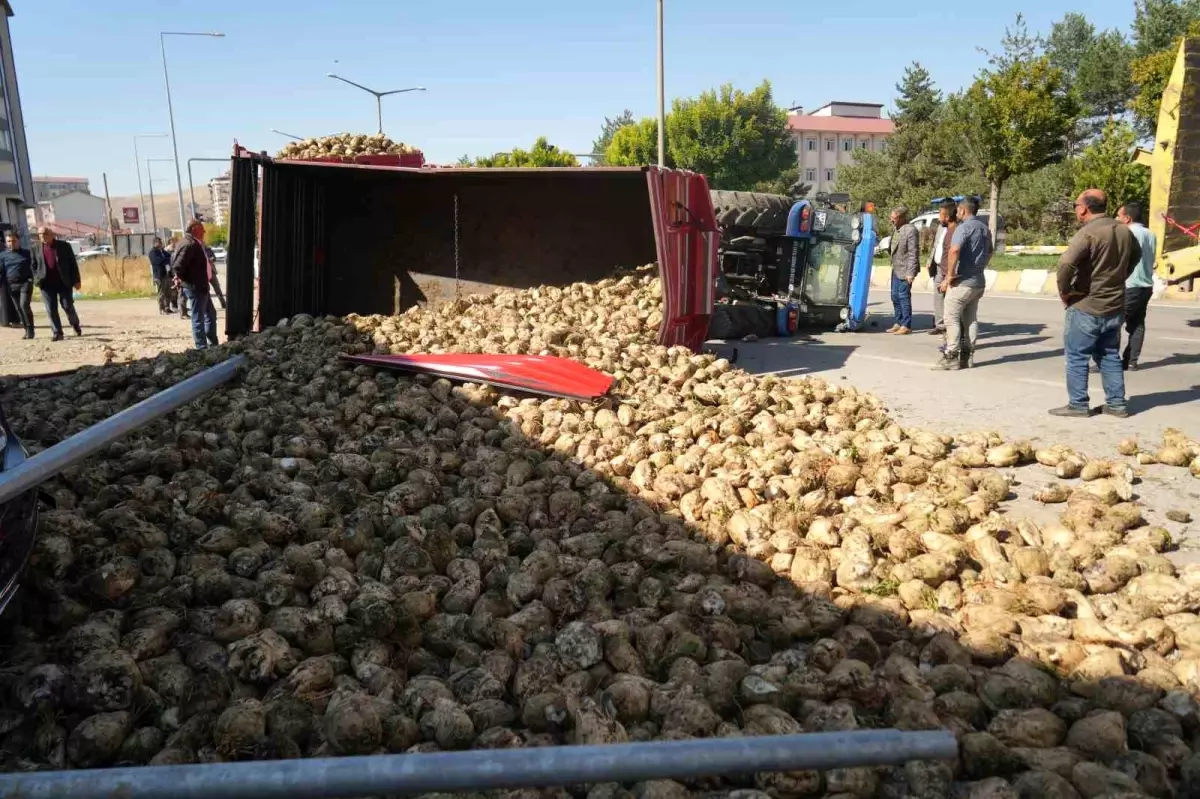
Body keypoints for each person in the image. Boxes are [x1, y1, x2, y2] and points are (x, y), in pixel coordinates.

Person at [1052, 189, 1142, 418]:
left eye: (1075, 205)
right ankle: (1116, 404)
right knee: (1109, 353)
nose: (1075, 210)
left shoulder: (1088, 232)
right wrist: (1120, 277)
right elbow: (1136, 256)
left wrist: (1065, 291)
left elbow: (1065, 264)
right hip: (1114, 304)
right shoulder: (1124, 230)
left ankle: (1078, 404)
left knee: (1077, 356)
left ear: (1083, 208)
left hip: (1086, 304)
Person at [934, 197, 991, 370]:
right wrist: (980, 267)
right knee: (971, 319)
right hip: (978, 281)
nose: (956, 213)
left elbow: (954, 250)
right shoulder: (984, 228)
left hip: (963, 282)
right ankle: (968, 356)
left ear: (963, 211)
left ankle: (951, 356)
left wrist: (949, 276)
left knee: (951, 318)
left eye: (958, 210)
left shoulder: (963, 228)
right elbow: (990, 251)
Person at [1116, 201, 1156, 372]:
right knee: (1137, 324)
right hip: (1145, 285)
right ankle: (1131, 361)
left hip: (1129, 285)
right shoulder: (1150, 234)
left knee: (1113, 324)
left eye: (1118, 215)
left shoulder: (1127, 232)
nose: (1116, 219)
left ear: (1127, 218)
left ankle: (1108, 362)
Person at [172, 219, 219, 350]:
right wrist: (184, 280)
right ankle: (201, 347)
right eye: (202, 229)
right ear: (194, 229)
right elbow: (177, 266)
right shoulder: (189, 244)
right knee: (198, 318)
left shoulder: (193, 243)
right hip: (196, 287)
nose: (204, 231)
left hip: (201, 286)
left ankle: (212, 344)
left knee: (210, 315)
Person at [31, 226, 82, 342]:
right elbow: (33, 266)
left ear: (51, 234)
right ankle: (57, 332)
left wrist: (76, 280)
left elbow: (73, 265)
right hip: (46, 284)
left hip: (63, 282)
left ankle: (75, 325)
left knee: (67, 306)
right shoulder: (35, 248)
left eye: (45, 233)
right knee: (51, 309)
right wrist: (36, 279)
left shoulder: (64, 246)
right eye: (40, 234)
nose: (42, 236)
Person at [886, 206, 919, 335]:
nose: (891, 220)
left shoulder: (910, 230)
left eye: (894, 218)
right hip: (896, 268)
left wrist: (911, 272)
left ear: (902, 218)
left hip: (906, 270)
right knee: (894, 296)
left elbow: (913, 253)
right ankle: (898, 322)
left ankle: (906, 325)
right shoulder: (897, 228)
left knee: (903, 297)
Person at [928, 200, 958, 337]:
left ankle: (951, 327)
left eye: (940, 214)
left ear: (947, 216)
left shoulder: (957, 229)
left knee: (950, 299)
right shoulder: (941, 227)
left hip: (950, 269)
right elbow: (936, 245)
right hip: (939, 266)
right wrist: (930, 260)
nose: (938, 217)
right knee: (938, 296)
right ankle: (940, 325)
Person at [0, 230, 34, 338]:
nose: (11, 243)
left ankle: (30, 329)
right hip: (11, 285)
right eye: (9, 241)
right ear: (6, 242)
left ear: (18, 241)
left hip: (25, 282)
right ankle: (26, 330)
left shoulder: (27, 253)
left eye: (14, 240)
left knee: (24, 305)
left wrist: (33, 279)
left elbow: (35, 266)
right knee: (19, 308)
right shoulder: (3, 256)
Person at [149, 237, 174, 315]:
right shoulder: (152, 252)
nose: (161, 244)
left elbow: (169, 257)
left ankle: (167, 307)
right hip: (159, 275)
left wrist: (165, 259)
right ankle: (161, 308)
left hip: (167, 274)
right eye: (160, 243)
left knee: (168, 292)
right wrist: (164, 260)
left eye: (161, 243)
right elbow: (157, 262)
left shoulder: (163, 251)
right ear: (155, 243)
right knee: (161, 293)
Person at [203, 243, 227, 309]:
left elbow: (214, 258)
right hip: (203, 273)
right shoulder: (197, 250)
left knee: (217, 288)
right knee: (205, 290)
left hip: (211, 271)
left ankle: (223, 304)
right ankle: (206, 306)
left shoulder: (208, 249)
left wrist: (211, 259)